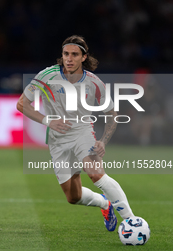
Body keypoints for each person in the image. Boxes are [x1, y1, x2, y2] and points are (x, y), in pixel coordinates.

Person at [17, 35, 134, 231]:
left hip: (83, 133)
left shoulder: (94, 83)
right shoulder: (47, 76)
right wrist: (48, 121)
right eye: (65, 54)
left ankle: (131, 220)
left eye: (74, 54)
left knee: (96, 174)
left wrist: (103, 141)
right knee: (73, 197)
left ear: (83, 57)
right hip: (57, 140)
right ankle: (104, 204)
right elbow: (22, 104)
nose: (69, 59)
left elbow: (112, 114)